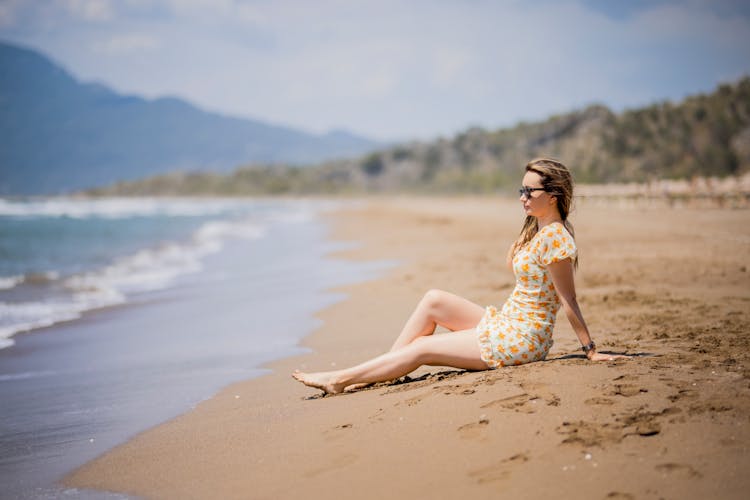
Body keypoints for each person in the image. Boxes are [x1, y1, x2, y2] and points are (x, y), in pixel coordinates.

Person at [293, 158, 626, 395]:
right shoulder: (537, 230)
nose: (522, 198)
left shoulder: (555, 236)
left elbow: (568, 299)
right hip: (508, 322)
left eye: (530, 192)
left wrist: (590, 350)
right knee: (434, 299)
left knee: (422, 347)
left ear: (552, 195)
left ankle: (341, 379)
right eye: (520, 191)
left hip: (523, 339)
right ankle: (384, 369)